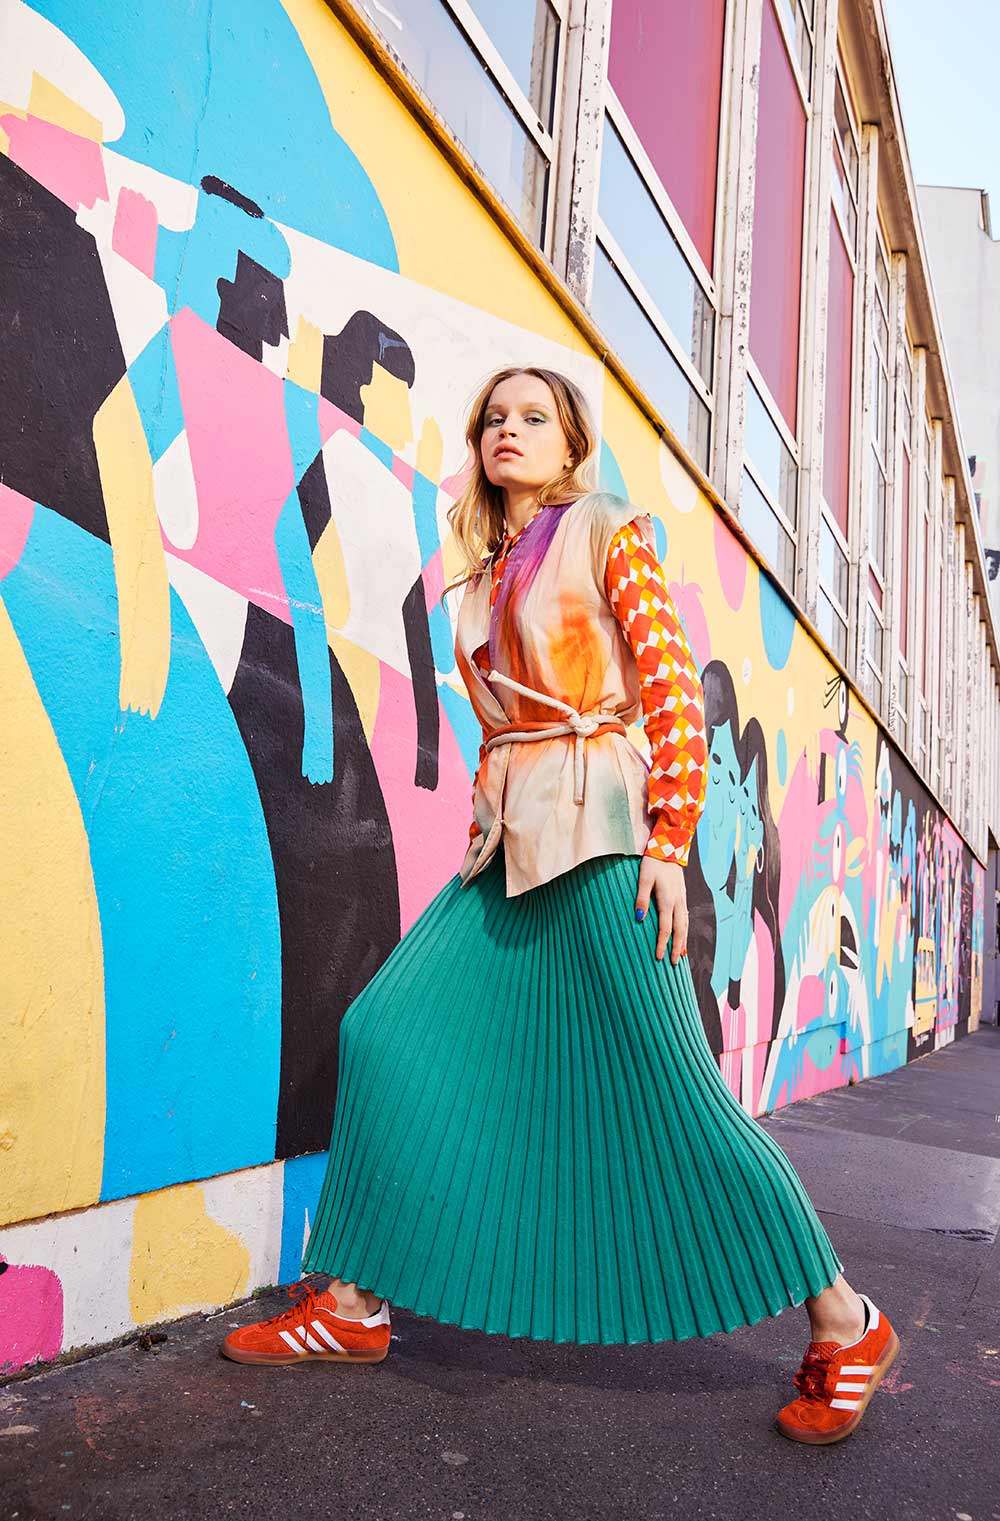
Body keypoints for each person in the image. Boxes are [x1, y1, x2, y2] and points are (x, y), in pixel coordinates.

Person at [221, 366, 900, 1445]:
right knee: (384, 1030)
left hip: (607, 842)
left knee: (678, 1101)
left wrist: (671, 840)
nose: (507, 432)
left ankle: (845, 1320)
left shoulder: (603, 530)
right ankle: (353, 1305)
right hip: (511, 847)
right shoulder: (485, 572)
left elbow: (669, 684)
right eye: (493, 418)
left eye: (532, 418)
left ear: (571, 440)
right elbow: (502, 734)